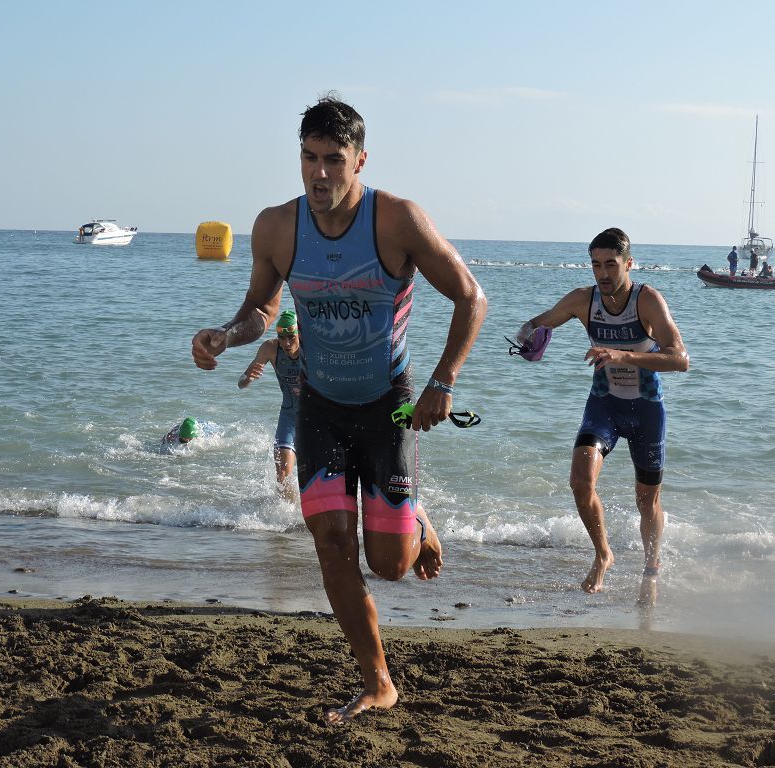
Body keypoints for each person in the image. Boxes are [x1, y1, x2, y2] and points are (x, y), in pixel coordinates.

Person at [191, 94, 487, 723]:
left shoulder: (397, 220)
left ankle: (417, 522)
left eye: (333, 159)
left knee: (390, 565)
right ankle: (378, 680)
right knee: (329, 542)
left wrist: (444, 380)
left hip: (391, 409)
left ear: (359, 161)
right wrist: (225, 333)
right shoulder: (277, 227)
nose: (319, 173)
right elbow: (262, 310)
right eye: (308, 157)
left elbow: (471, 298)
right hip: (319, 406)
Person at [515, 227, 689, 608]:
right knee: (580, 481)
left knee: (648, 502)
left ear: (629, 263)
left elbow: (680, 358)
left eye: (611, 264)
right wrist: (526, 336)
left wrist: (623, 354)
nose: (603, 273)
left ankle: (650, 571)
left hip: (646, 410)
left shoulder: (648, 301)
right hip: (604, 405)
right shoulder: (583, 300)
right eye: (596, 265)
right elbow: (540, 322)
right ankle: (603, 554)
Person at [238, 309, 302, 503]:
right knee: (282, 474)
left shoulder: (313, 347)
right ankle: (288, 519)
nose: (287, 343)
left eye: (291, 337)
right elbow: (241, 383)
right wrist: (248, 377)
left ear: (299, 333)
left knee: (319, 474)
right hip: (289, 417)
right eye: (282, 338)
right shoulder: (270, 348)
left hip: (316, 416)